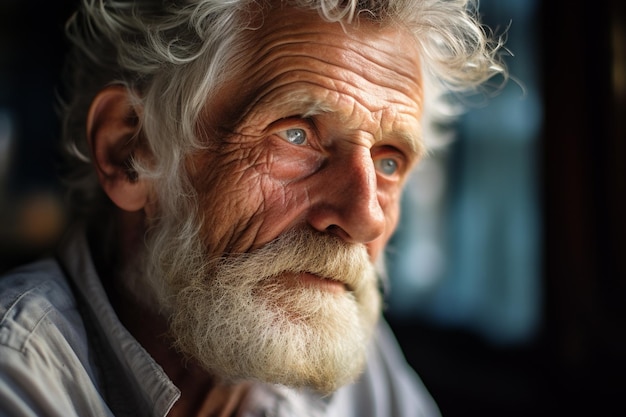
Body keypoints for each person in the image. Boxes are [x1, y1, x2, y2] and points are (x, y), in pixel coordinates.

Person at [0, 0, 506, 415]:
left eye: (389, 162)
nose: (364, 216)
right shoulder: (19, 373)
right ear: (130, 152)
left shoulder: (343, 350)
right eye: (296, 134)